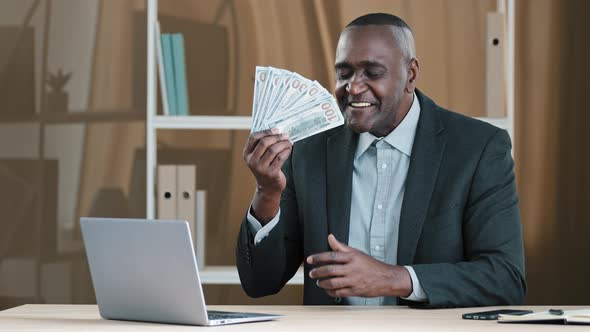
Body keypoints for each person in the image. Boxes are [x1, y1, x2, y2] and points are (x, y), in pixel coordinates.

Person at [236, 13, 526, 308]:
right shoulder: (308, 149)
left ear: (410, 75)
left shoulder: (478, 148)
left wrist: (394, 278)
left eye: (372, 73)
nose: (354, 87)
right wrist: (267, 193)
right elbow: (259, 282)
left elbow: (505, 279)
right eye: (344, 73)